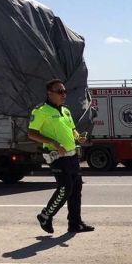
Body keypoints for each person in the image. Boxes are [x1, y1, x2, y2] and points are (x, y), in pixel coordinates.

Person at [28, 79, 93, 234]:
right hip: (57, 158)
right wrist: (54, 143)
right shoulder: (40, 111)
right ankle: (45, 215)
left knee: (76, 189)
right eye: (59, 91)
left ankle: (75, 223)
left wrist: (78, 138)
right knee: (65, 188)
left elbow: (72, 129)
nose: (63, 94)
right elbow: (31, 133)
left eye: (64, 91)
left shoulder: (65, 110)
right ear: (49, 93)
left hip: (72, 156)